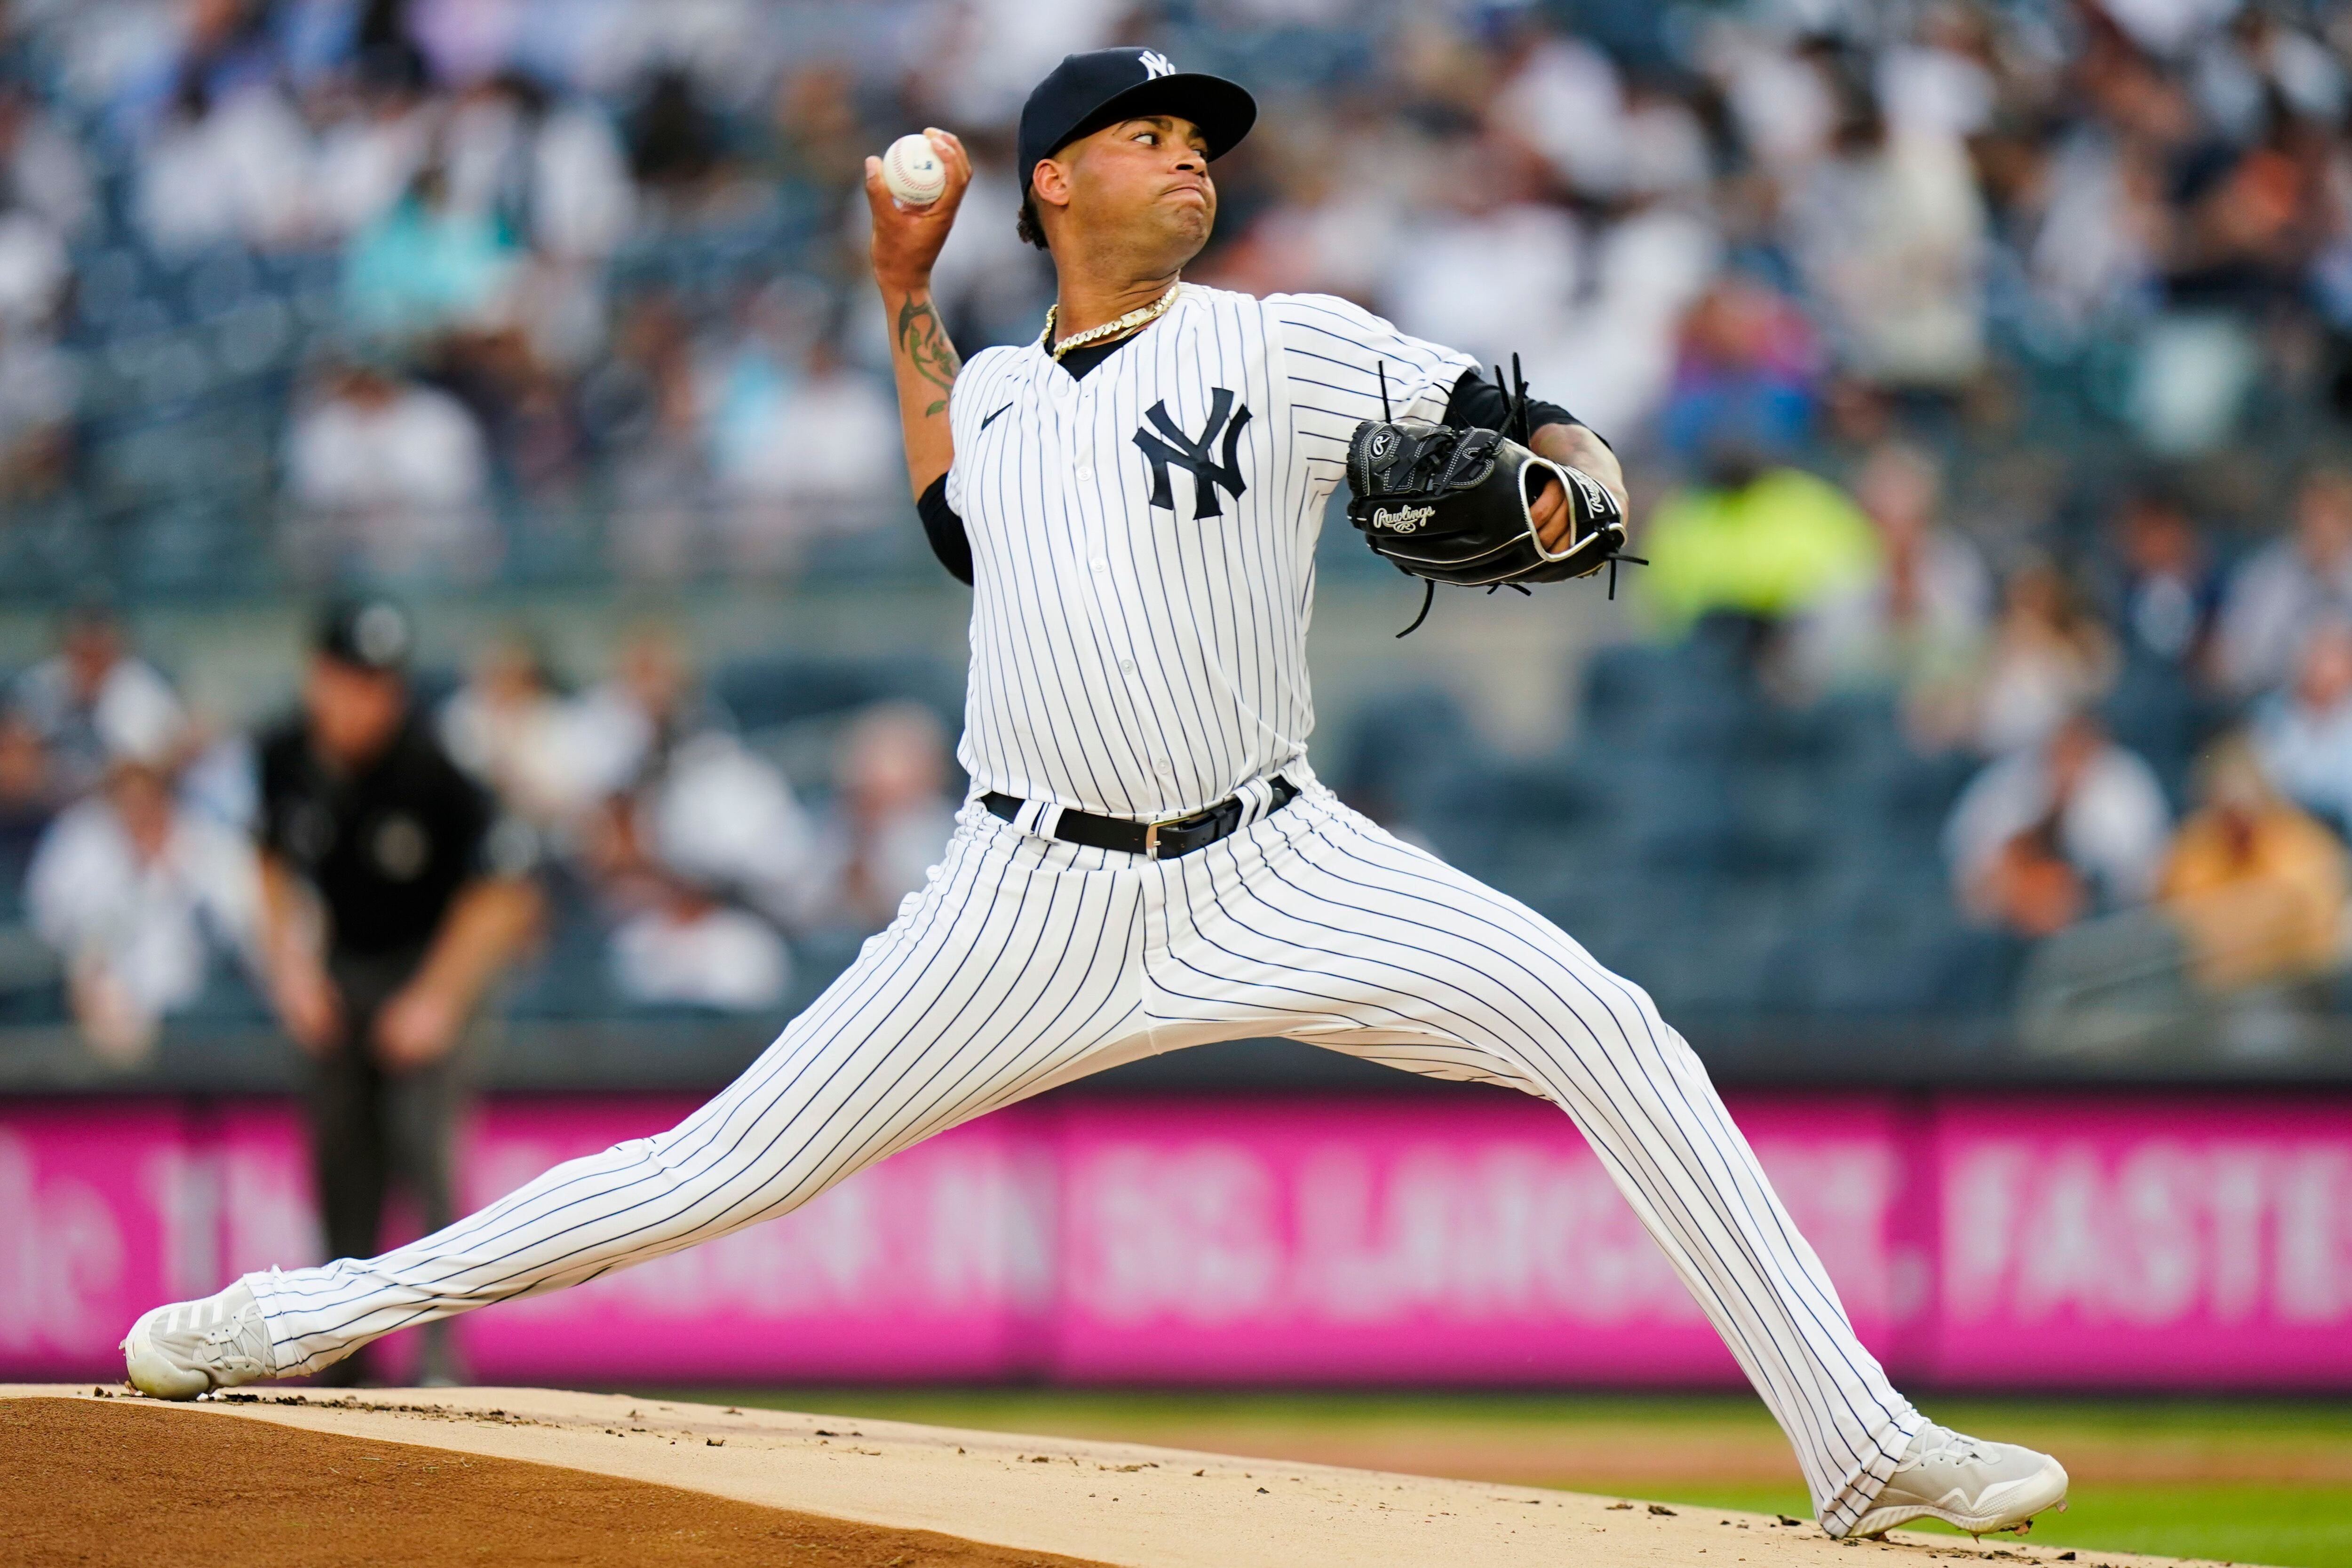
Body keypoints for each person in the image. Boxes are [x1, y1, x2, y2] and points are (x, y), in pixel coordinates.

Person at [122, 50, 2066, 1544]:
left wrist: (1569, 485)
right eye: (1153, 136)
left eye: (1205, 139)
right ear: (1054, 181)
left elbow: (1538, 431)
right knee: (715, 1163)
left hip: (1279, 852)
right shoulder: (995, 394)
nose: (1194, 156)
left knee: (1606, 1023)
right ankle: (304, 1312)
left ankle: (1856, 1442)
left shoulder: (1284, 341)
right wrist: (900, 287)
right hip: (1021, 896)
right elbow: (948, 495)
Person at [243, 599, 543, 1385]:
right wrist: (292, 970)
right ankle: (343, 1354)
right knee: (342, 1162)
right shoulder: (283, 753)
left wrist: (438, 998)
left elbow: (503, 890)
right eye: (354, 679)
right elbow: (269, 862)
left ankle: (441, 1357)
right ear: (320, 678)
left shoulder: (433, 765)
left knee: (425, 1151)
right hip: (343, 969)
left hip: (426, 966)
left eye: (384, 682)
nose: (370, 699)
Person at [1945, 710, 2172, 939]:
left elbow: (2138, 875)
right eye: (2062, 750)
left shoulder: (2126, 784)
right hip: (2009, 920)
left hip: (2107, 914)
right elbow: (1971, 862)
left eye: (2077, 751)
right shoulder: (2013, 777)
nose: (2067, 763)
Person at [2158, 735, 2345, 995]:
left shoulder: (2301, 843)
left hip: (2293, 987)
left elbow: (2317, 935)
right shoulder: (2193, 847)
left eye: (2245, 810)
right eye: (2226, 812)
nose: (2237, 822)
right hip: (2210, 993)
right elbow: (2177, 921)